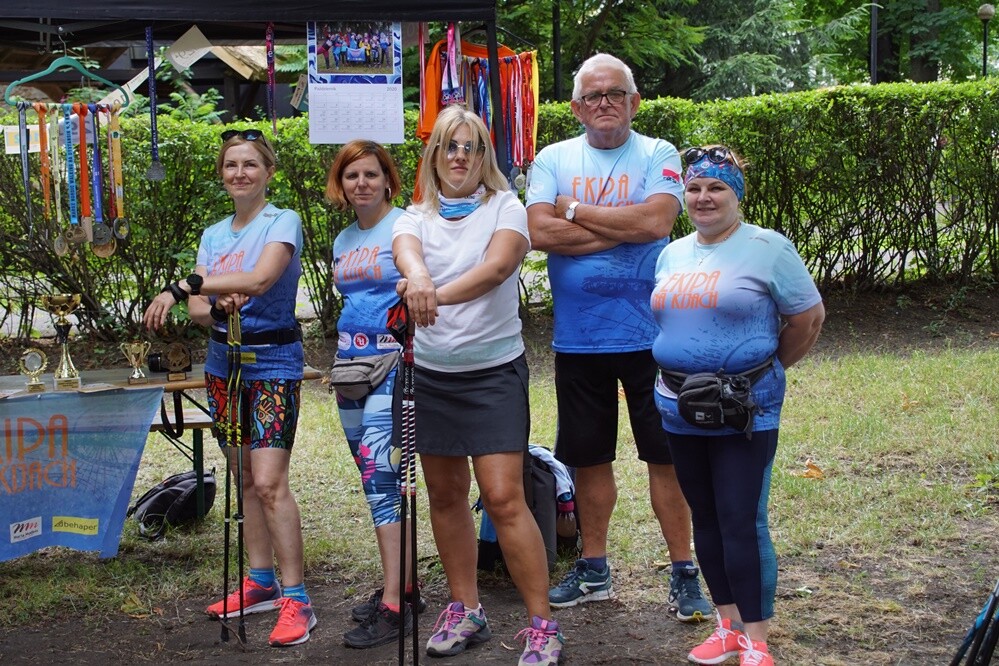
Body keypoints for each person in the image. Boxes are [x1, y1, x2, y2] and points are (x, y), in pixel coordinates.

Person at [525, 52, 712, 620]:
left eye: (615, 93)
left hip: (656, 337)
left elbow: (658, 223)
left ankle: (684, 569)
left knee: (667, 456)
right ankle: (594, 567)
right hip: (579, 340)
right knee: (588, 459)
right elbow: (537, 231)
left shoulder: (659, 153)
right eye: (592, 96)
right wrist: (622, 229)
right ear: (577, 107)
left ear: (634, 101)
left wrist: (576, 211)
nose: (603, 103)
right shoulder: (552, 157)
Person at [393, 105, 563, 665]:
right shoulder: (413, 215)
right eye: (449, 146)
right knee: (443, 496)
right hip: (431, 375)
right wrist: (418, 278)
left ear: (484, 156)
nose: (460, 156)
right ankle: (466, 609)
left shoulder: (506, 209)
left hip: (492, 374)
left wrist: (430, 295)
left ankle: (542, 624)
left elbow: (495, 269)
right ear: (434, 155)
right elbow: (408, 254)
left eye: (470, 147)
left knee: (503, 497)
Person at [651, 145, 824, 665]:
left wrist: (761, 373)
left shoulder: (768, 247)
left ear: (738, 195)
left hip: (745, 410)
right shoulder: (672, 252)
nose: (704, 198)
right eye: (695, 188)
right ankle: (725, 624)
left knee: (740, 517)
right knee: (704, 515)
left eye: (717, 188)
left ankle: (755, 638)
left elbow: (807, 320)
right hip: (678, 406)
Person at [143, 128, 316, 647]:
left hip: (273, 363)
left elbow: (261, 279)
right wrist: (212, 303)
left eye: (250, 164)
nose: (239, 173)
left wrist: (186, 287)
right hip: (224, 364)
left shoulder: (281, 221)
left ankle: (297, 600)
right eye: (231, 165)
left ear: (268, 172)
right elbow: (200, 311)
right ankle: (260, 582)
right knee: (243, 476)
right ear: (222, 175)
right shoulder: (214, 234)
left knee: (268, 482)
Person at [325, 139, 425, 648]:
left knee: (382, 474)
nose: (360, 183)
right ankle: (404, 584)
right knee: (371, 480)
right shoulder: (343, 239)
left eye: (370, 174)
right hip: (349, 367)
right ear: (340, 185)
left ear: (388, 179)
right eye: (350, 176)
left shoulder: (404, 226)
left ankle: (394, 605)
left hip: (395, 364)